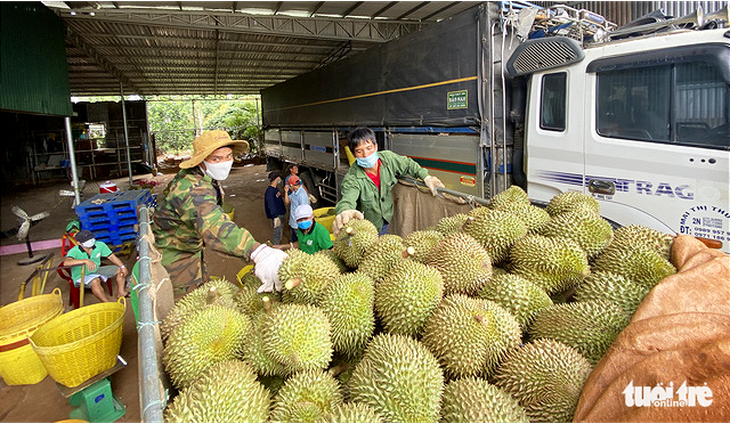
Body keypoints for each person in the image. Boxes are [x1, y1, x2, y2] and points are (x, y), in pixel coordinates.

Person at [152, 130, 288, 298]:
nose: (224, 162)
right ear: (201, 160)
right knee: (185, 308)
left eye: (228, 156)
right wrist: (256, 251)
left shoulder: (203, 178)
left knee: (202, 293)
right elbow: (214, 225)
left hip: (191, 250)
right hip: (175, 257)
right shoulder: (192, 188)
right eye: (216, 158)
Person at [333, 127, 445, 236]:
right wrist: (345, 211)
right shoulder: (352, 178)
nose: (366, 154)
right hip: (367, 228)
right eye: (359, 151)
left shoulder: (388, 159)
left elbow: (408, 165)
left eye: (369, 148)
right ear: (353, 154)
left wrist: (426, 177)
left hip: (388, 218)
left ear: (376, 147)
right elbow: (348, 199)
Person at [63, 229, 129, 303]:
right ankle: (106, 303)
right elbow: (66, 262)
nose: (91, 241)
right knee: (95, 281)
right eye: (87, 240)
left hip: (96, 270)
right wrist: (85, 261)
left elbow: (111, 257)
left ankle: (121, 292)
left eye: (91, 239)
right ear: (79, 243)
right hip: (81, 275)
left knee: (120, 270)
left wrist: (122, 266)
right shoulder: (74, 251)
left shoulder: (100, 245)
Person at [283, 174, 310, 244]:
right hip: (293, 222)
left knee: (300, 242)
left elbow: (304, 211)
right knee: (293, 240)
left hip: (298, 225)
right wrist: (286, 192)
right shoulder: (295, 192)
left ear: (291, 185)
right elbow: (287, 202)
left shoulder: (301, 195)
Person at [264, 171, 287, 245]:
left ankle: (277, 246)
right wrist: (275, 217)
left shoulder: (275, 189)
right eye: (279, 178)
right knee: (277, 234)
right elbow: (271, 205)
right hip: (277, 215)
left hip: (280, 213)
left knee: (279, 233)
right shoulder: (270, 192)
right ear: (277, 179)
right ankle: (275, 248)